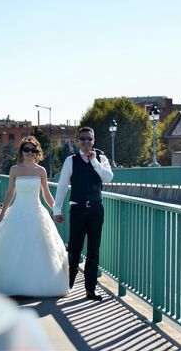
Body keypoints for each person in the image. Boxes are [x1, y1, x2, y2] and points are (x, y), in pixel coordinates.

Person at [0, 136, 69, 297]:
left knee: (39, 249)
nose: (30, 153)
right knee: (14, 248)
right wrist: (3, 213)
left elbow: (46, 194)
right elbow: (10, 192)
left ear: (37, 152)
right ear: (21, 152)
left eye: (33, 150)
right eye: (26, 149)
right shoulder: (15, 170)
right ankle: (15, 284)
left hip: (37, 213)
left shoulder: (41, 171)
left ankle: (35, 284)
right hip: (17, 211)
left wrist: (56, 210)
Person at [53, 126, 113, 302]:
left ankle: (90, 289)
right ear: (77, 141)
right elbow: (63, 186)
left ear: (93, 141)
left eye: (89, 139)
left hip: (96, 209)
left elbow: (108, 178)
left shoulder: (101, 158)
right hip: (78, 209)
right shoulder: (71, 160)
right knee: (74, 249)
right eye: (83, 139)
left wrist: (94, 162)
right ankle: (68, 284)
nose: (86, 142)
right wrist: (57, 209)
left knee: (94, 250)